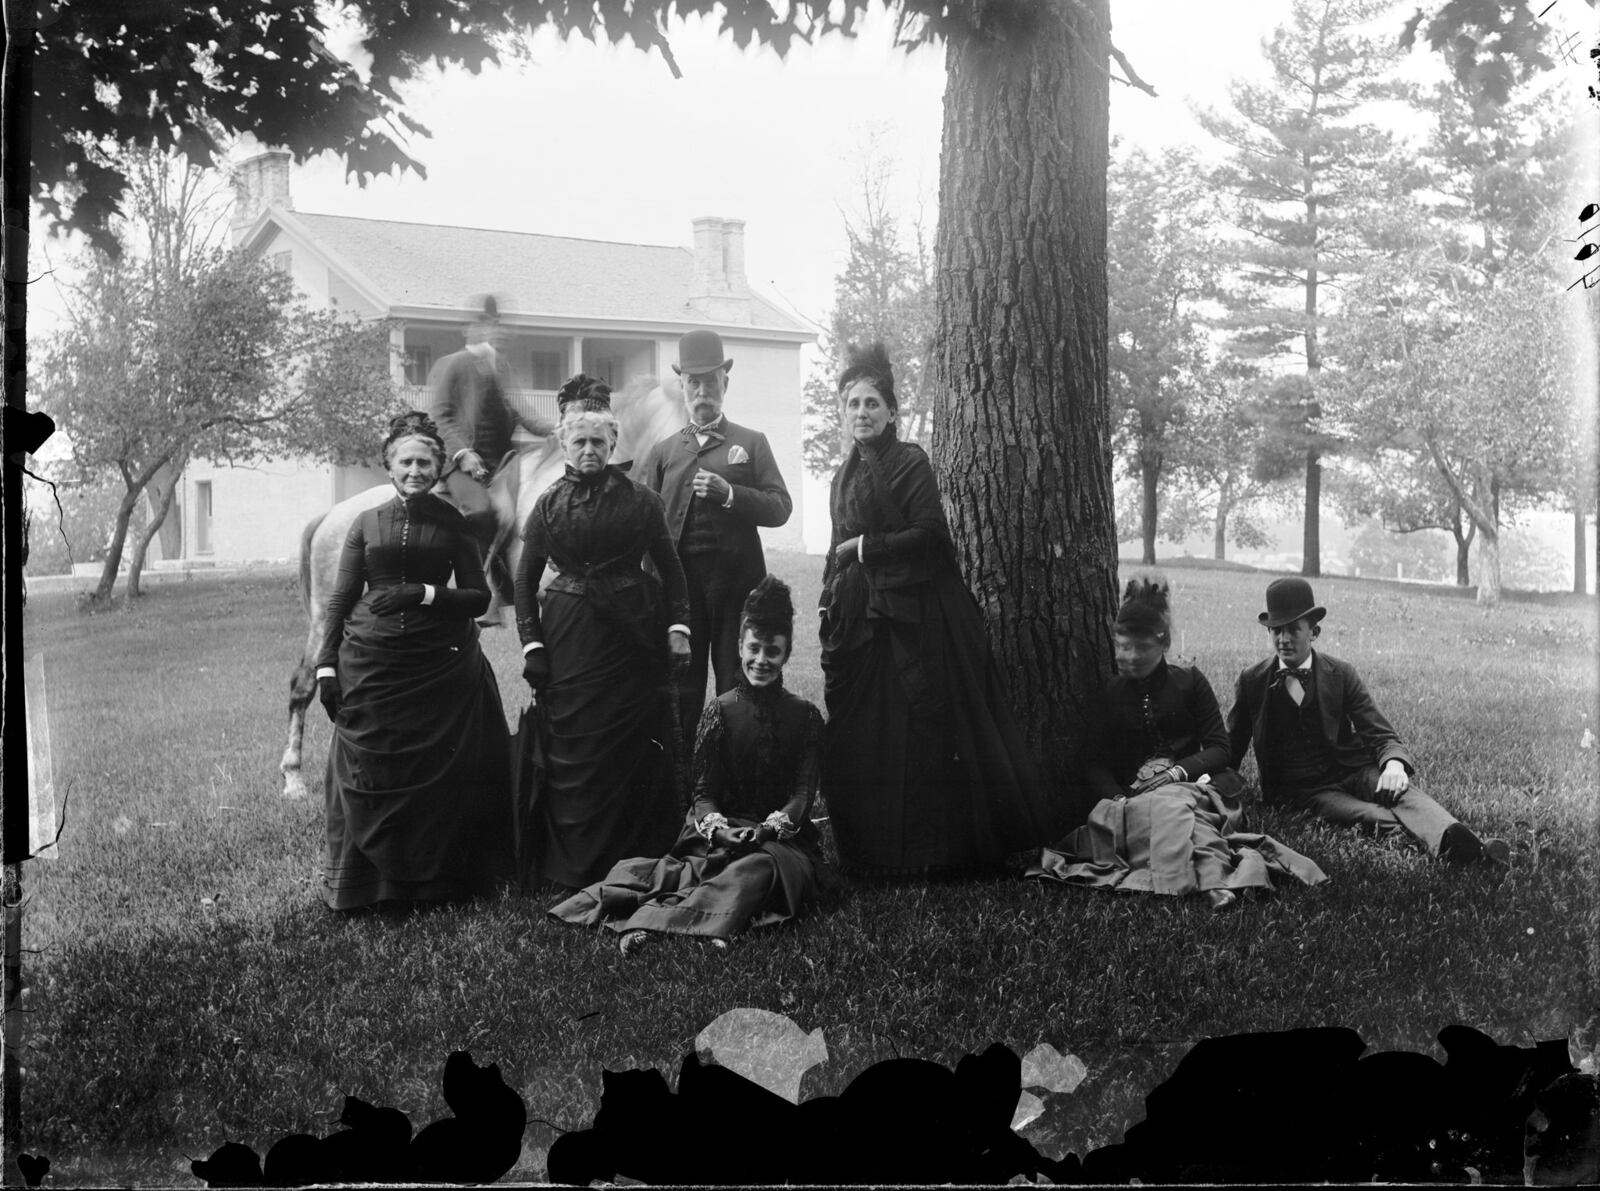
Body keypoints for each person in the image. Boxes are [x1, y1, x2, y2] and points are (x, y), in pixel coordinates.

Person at [818, 341, 1059, 877]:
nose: (862, 413)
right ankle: (873, 849)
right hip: (859, 617)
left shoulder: (910, 462)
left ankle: (926, 854)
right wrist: (826, 605)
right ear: (843, 412)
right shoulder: (841, 475)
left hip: (913, 616)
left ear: (892, 412)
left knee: (917, 730)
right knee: (864, 730)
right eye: (853, 404)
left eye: (872, 404)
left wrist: (866, 548)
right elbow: (836, 547)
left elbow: (929, 533)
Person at [548, 575, 827, 954]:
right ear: (739, 645)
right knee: (673, 872)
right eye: (754, 648)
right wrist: (719, 830)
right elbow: (705, 792)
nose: (761, 660)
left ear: (787, 653)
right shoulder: (720, 711)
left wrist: (768, 829)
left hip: (778, 840)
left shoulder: (806, 716)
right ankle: (687, 920)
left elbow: (802, 792)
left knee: (758, 869)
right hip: (722, 832)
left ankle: (662, 922)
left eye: (772, 652)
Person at [315, 411, 515, 912]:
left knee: (443, 771)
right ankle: (369, 888)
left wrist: (422, 593)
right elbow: (341, 598)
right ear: (389, 465)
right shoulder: (365, 522)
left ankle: (435, 884)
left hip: (439, 663)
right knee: (368, 765)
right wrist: (325, 666)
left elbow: (475, 598)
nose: (415, 470)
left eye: (425, 462)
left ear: (438, 466)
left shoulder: (454, 523)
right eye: (405, 461)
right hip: (372, 659)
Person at [1029, 579, 1326, 907]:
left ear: (1162, 644)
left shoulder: (1190, 682)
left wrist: (1174, 775)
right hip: (1132, 798)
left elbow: (1219, 748)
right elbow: (1092, 760)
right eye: (1123, 647)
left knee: (1174, 806)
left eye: (1141, 648)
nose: (1130, 657)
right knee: (1181, 822)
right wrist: (1116, 796)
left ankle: (1178, 881)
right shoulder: (1110, 694)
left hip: (1193, 789)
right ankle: (1212, 883)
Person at [514, 374, 692, 888]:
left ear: (614, 444)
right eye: (579, 442)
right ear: (565, 447)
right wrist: (532, 644)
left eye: (598, 441)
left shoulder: (641, 501)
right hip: (569, 634)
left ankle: (634, 857)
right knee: (575, 746)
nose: (589, 449)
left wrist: (678, 628)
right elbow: (525, 580)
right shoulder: (547, 505)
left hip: (632, 634)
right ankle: (573, 865)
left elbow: (672, 569)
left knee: (631, 742)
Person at [1227, 576, 1511, 866]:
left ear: (1314, 632)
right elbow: (1231, 746)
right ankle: (1463, 851)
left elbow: (1378, 731)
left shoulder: (1340, 673)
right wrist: (1212, 783)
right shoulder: (1253, 679)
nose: (1283, 639)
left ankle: (1460, 839)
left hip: (1352, 769)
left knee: (1402, 793)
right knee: (1370, 815)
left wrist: (1394, 764)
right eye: (1275, 630)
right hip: (1302, 789)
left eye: (1292, 630)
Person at [635, 328, 793, 742]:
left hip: (736, 589)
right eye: (693, 382)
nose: (702, 391)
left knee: (733, 682)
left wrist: (731, 495)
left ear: (725, 382)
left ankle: (732, 775)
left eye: (710, 381)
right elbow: (641, 525)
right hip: (680, 592)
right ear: (683, 387)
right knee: (681, 686)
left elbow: (780, 508)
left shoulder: (751, 443)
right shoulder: (663, 452)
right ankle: (683, 781)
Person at [427, 295, 556, 623]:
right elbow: (440, 416)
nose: (492, 330)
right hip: (460, 462)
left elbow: (523, 412)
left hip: (502, 462)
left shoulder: (502, 366)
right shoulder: (452, 363)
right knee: (483, 512)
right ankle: (482, 591)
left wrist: (558, 427)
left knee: (523, 512)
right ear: (468, 328)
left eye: (495, 323)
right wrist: (461, 453)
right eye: (484, 323)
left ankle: (515, 582)